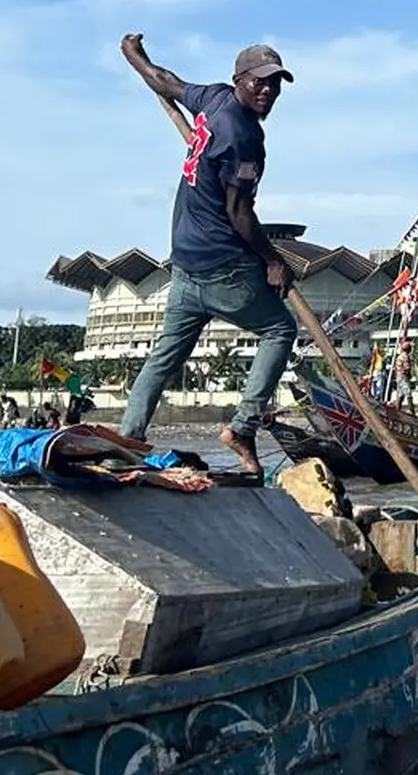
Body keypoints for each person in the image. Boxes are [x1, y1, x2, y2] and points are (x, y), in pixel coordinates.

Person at [117, 34, 298, 476]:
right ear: (240, 80)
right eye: (259, 82)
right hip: (223, 266)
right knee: (280, 329)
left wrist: (136, 57)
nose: (267, 91)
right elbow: (239, 213)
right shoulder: (245, 137)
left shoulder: (213, 98)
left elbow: (166, 82)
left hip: (185, 262)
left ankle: (128, 439)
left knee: (163, 358)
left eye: (275, 84)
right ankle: (242, 427)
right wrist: (274, 261)